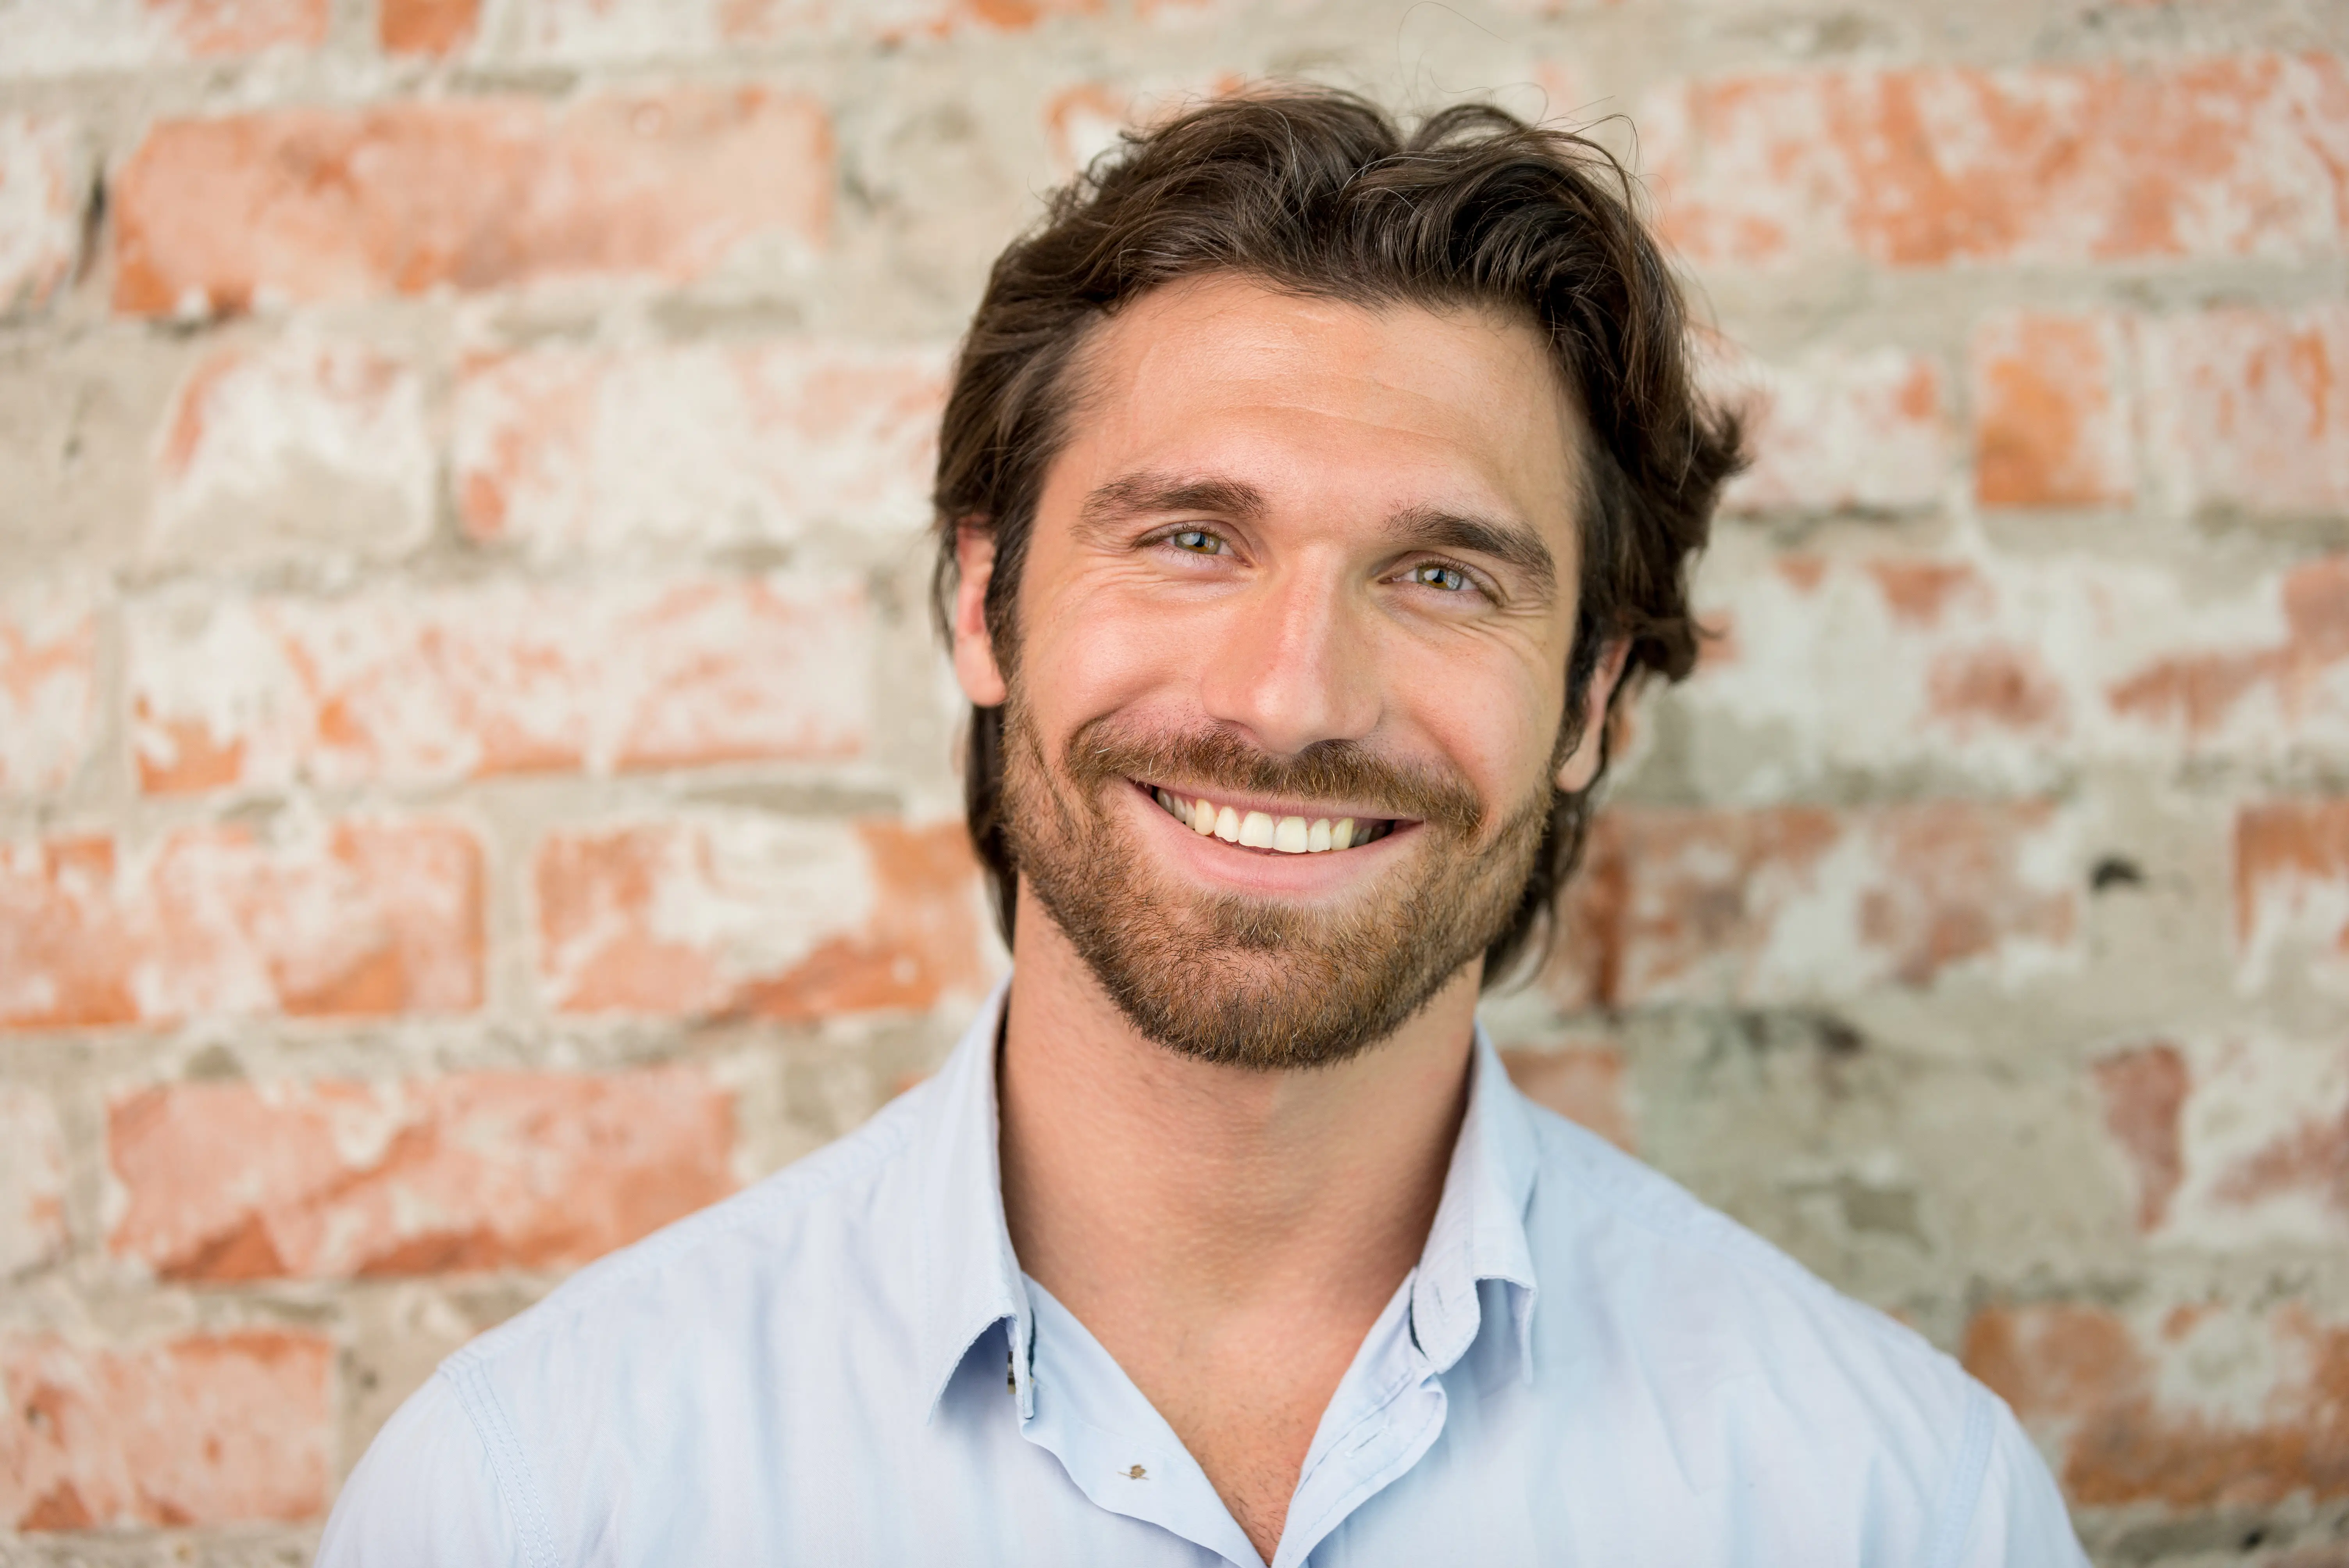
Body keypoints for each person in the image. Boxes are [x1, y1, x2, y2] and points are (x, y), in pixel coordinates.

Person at [317, 89, 2088, 1566]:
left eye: (1443, 571)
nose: (1292, 696)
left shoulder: (1900, 1503)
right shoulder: (536, 1495)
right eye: (1188, 538)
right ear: (982, 600)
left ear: (1596, 707)